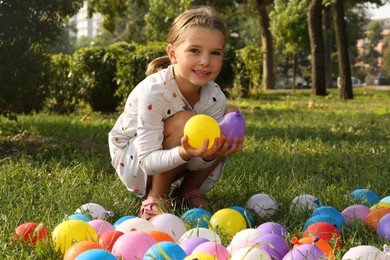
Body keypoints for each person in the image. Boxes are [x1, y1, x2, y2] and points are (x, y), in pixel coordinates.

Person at [108, 6, 244, 219]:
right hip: (136, 161)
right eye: (195, 51)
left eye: (215, 53)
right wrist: (184, 152)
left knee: (229, 117)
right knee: (186, 122)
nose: (205, 61)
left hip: (178, 159)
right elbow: (148, 160)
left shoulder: (215, 96)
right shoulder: (154, 92)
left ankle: (188, 192)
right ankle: (156, 197)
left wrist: (214, 151)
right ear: (172, 54)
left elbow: (201, 155)